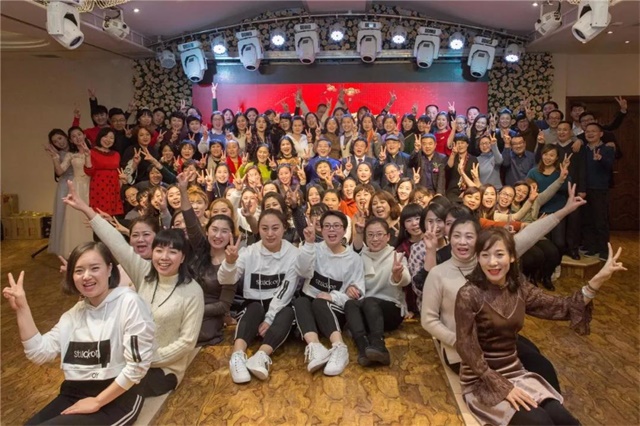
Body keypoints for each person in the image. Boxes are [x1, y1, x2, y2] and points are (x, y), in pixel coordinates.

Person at [422, 183, 587, 395]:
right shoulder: (439, 271)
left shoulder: (490, 262)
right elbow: (428, 319)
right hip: (462, 352)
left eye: (469, 236)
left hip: (498, 341)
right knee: (514, 388)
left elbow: (529, 235)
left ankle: (555, 407)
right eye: (456, 235)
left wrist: (564, 211)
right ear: (449, 236)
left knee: (542, 365)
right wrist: (460, 341)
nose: (462, 242)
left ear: (478, 239)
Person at [454, 229, 625, 426]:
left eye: (499, 254)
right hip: (481, 380)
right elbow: (466, 348)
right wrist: (503, 387)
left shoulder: (518, 286)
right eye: (485, 255)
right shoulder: (469, 294)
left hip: (514, 372)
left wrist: (597, 280)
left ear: (512, 257)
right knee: (540, 421)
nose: (492, 262)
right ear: (478, 258)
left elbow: (560, 306)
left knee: (564, 419)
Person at [63, 182, 204, 397]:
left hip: (163, 368)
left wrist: (146, 359)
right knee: (86, 381)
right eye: (159, 251)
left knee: (114, 391)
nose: (164, 258)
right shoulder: (144, 272)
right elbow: (116, 243)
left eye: (172, 252)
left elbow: (187, 342)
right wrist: (85, 209)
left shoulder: (192, 291)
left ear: (183, 257)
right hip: (130, 359)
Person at [3, 242, 155, 425]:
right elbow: (38, 352)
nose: (86, 276)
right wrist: (22, 308)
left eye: (94, 268)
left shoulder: (129, 303)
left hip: (118, 398)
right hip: (74, 393)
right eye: (79, 271)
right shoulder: (73, 315)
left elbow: (137, 367)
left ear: (109, 269)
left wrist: (97, 401)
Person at [218, 209, 298, 383]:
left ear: (284, 228)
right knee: (254, 308)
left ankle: (261, 356)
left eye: (275, 228)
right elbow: (226, 279)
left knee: (288, 312)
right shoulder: (249, 252)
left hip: (279, 305)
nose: (270, 234)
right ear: (258, 229)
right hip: (253, 307)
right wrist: (230, 263)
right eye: (264, 228)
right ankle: (237, 356)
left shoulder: (293, 253)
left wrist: (269, 319)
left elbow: (286, 290)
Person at [294, 211, 365, 375]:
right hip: (309, 307)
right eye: (327, 226)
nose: (331, 230)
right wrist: (309, 244)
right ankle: (316, 347)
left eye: (336, 226)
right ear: (321, 229)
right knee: (300, 301)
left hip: (332, 310)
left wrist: (333, 296)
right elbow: (302, 271)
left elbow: (359, 294)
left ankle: (339, 347)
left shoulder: (353, 259)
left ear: (344, 230)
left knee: (320, 302)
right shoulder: (313, 248)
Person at [177, 172, 236, 346]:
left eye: (224, 231)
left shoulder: (232, 261)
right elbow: (190, 219)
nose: (218, 235)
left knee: (198, 334)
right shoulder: (200, 247)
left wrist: (194, 310)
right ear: (207, 230)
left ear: (231, 235)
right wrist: (183, 190)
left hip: (208, 314)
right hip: (183, 303)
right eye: (214, 230)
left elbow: (223, 305)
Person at [345, 218, 411, 366]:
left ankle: (379, 346)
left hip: (391, 311)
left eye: (379, 234)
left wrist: (397, 275)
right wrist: (350, 288)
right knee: (350, 304)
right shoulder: (361, 256)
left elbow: (406, 279)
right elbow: (351, 278)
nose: (375, 239)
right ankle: (364, 349)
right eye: (370, 235)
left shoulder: (396, 256)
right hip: (367, 311)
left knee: (370, 301)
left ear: (387, 237)